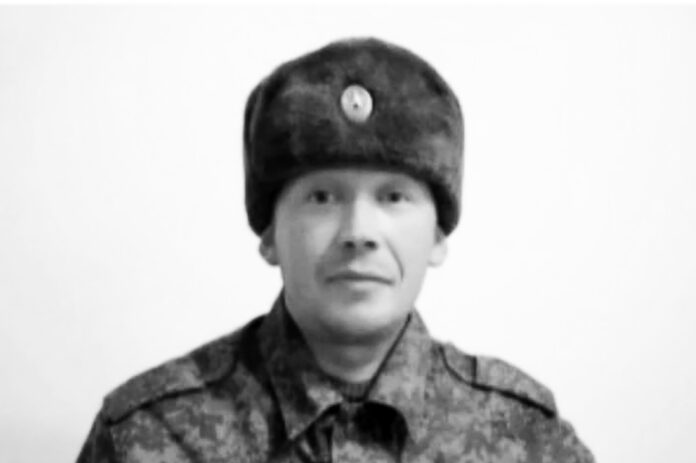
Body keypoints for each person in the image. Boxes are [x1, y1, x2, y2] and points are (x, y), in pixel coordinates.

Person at [77, 37, 594, 463]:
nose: (359, 232)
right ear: (269, 233)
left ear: (438, 235)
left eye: (393, 197)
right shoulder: (149, 437)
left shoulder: (526, 440)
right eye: (322, 197)